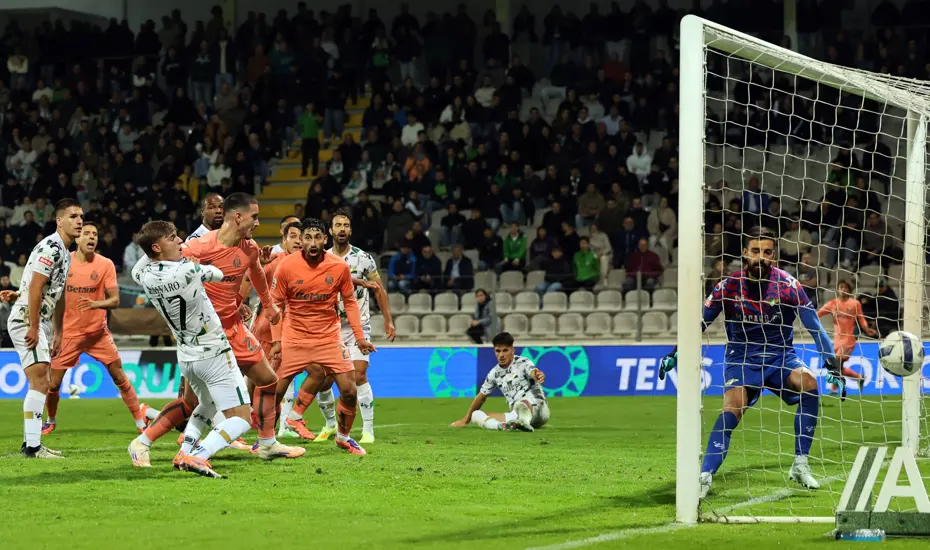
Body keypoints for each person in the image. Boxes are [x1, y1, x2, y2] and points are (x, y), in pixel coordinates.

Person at [659, 226, 842, 498]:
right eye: (755, 251)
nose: (761, 257)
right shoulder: (728, 286)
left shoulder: (788, 286)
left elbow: (815, 327)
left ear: (774, 255)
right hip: (742, 357)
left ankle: (800, 464)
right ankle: (704, 476)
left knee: (809, 384)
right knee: (732, 410)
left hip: (780, 356)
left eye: (767, 252)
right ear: (745, 253)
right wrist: (675, 353)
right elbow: (699, 324)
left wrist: (831, 364)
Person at [135, 193, 303, 461]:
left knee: (268, 380)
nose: (258, 223)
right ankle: (147, 443)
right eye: (254, 217)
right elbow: (163, 270)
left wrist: (267, 304)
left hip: (234, 328)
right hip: (206, 336)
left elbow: (256, 272)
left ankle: (267, 443)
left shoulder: (249, 248)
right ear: (238, 217)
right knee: (192, 403)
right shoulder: (197, 247)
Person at [127, 221, 251, 478]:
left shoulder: (143, 275)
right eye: (172, 238)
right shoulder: (186, 270)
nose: (180, 241)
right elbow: (217, 274)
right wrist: (191, 260)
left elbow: (141, 264)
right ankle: (199, 454)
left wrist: (159, 250)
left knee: (206, 404)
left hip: (186, 353)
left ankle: (184, 452)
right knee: (242, 418)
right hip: (213, 350)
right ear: (157, 247)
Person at [270, 218, 377, 456]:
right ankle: (266, 440)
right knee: (274, 393)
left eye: (317, 237)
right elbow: (275, 304)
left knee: (349, 390)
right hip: (294, 337)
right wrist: (277, 341)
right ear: (301, 240)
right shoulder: (286, 266)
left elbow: (350, 302)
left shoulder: (338, 267)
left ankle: (343, 437)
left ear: (325, 239)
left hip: (328, 338)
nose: (312, 242)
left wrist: (359, 337)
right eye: (307, 237)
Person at [289, 210, 395, 444]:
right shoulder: (322, 258)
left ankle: (368, 430)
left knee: (359, 374)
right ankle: (329, 425)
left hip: (358, 324)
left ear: (350, 230)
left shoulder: (363, 258)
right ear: (330, 231)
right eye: (338, 225)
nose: (342, 229)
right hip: (330, 327)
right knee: (323, 379)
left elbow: (379, 289)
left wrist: (388, 319)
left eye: (346, 225)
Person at [39, 222, 147, 434]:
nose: (91, 237)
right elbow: (47, 292)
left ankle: (141, 424)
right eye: (86, 233)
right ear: (77, 238)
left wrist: (95, 304)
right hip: (69, 334)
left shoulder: (105, 264)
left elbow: (115, 300)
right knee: (53, 385)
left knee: (119, 377)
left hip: (98, 334)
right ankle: (50, 420)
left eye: (95, 234)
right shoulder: (63, 262)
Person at [3, 199, 82, 458]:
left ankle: (31, 443)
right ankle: (33, 448)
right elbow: (37, 286)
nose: (79, 221)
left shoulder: (65, 253)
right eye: (73, 216)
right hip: (29, 319)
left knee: (40, 381)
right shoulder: (51, 247)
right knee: (41, 381)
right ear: (59, 220)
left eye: (81, 216)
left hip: (39, 320)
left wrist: (58, 331)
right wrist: (34, 326)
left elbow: (56, 293)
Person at [450, 332, 549, 432]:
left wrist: (537, 375)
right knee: (475, 415)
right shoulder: (494, 373)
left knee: (521, 404)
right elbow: (481, 397)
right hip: (516, 414)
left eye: (505, 350)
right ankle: (503, 426)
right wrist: (465, 420)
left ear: (512, 350)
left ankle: (523, 422)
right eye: (498, 351)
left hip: (538, 409)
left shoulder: (523, 362)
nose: (501, 355)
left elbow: (532, 371)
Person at [818, 279, 876, 394]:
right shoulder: (832, 304)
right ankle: (858, 377)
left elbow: (861, 318)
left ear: (849, 290)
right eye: (841, 287)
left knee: (836, 363)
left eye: (845, 287)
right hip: (837, 340)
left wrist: (866, 329)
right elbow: (818, 313)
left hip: (849, 339)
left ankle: (833, 390)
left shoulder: (855, 303)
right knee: (838, 366)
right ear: (837, 289)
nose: (843, 289)